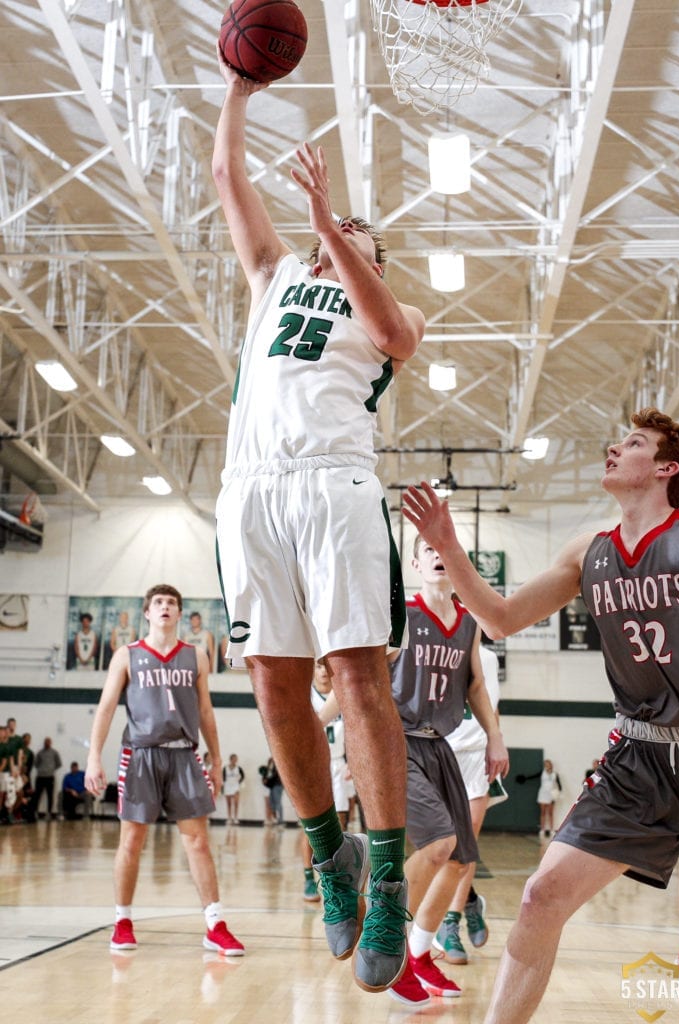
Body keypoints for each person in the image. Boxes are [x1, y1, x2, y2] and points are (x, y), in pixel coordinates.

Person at [211, 44, 425, 993]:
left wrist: (329, 226)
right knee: (269, 679)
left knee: (357, 676)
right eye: (328, 231)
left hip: (334, 482)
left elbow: (394, 337)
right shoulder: (270, 277)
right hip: (249, 485)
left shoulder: (383, 300)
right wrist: (237, 89)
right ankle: (327, 855)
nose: (333, 233)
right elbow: (224, 174)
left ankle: (385, 883)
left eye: (351, 233)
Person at [401, 407, 679, 1024]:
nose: (615, 447)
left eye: (633, 443)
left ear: (667, 468)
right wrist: (449, 546)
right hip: (637, 754)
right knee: (540, 896)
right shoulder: (590, 553)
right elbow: (500, 619)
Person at [84, 583, 244, 957]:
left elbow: (205, 712)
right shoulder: (127, 655)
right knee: (132, 842)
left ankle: (215, 924)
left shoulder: (197, 656)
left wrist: (217, 760)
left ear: (179, 613)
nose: (165, 607)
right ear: (147, 613)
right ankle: (122, 921)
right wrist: (94, 756)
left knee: (198, 842)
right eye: (158, 602)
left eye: (172, 602)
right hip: (140, 755)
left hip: (185, 755)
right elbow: (106, 708)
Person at [386, 536, 509, 1006]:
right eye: (429, 550)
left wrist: (494, 735)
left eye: (446, 549)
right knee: (438, 844)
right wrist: (320, 724)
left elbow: (476, 684)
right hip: (400, 743)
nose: (439, 555)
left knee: (459, 860)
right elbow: (365, 678)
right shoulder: (400, 615)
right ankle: (389, 942)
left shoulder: (468, 624)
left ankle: (419, 953)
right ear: (415, 563)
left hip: (443, 747)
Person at [435, 643, 507, 965]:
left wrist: (497, 742)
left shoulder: (488, 658)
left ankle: (449, 925)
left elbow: (492, 708)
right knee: (440, 849)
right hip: (436, 754)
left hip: (475, 756)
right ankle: (471, 901)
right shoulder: (431, 651)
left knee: (466, 845)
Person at [301, 661, 355, 901]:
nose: (323, 671)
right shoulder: (304, 696)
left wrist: (353, 761)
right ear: (312, 669)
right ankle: (307, 879)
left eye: (326, 666)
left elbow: (355, 729)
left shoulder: (342, 693)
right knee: (311, 827)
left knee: (341, 822)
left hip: (338, 763)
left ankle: (335, 877)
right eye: (319, 666)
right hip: (312, 765)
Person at [32, 736, 62, 820]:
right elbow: (36, 764)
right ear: (44, 743)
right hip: (40, 777)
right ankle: (35, 812)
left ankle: (49, 813)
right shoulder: (40, 753)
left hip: (50, 777)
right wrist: (42, 769)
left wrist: (51, 769)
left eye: (48, 742)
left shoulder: (54, 752)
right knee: (37, 795)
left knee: (50, 796)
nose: (47, 743)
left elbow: (58, 764)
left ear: (51, 743)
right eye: (46, 742)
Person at [535, 758, 561, 838]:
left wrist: (557, 793)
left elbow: (559, 785)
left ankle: (551, 829)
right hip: (543, 794)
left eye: (548, 764)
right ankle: (542, 829)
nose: (546, 765)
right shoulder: (542, 773)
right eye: (545, 764)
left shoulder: (555, 774)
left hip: (551, 795)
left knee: (550, 813)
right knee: (543, 812)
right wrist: (524, 778)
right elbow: (534, 776)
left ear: (551, 765)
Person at [223, 753, 244, 824]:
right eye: (234, 759)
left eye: (236, 759)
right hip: (227, 786)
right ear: (230, 759)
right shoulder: (225, 768)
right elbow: (223, 777)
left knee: (236, 803)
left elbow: (243, 776)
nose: (235, 760)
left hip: (235, 786)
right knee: (229, 803)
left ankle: (236, 818)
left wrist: (238, 782)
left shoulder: (239, 768)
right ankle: (229, 818)